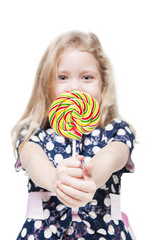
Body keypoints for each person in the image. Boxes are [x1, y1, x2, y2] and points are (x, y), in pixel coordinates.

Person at [12, 30, 136, 240]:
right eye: (62, 77)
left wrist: (91, 175)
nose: (75, 86)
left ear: (103, 84)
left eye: (87, 77)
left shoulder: (116, 130)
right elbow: (33, 160)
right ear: (46, 85)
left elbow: (114, 156)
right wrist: (55, 179)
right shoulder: (33, 132)